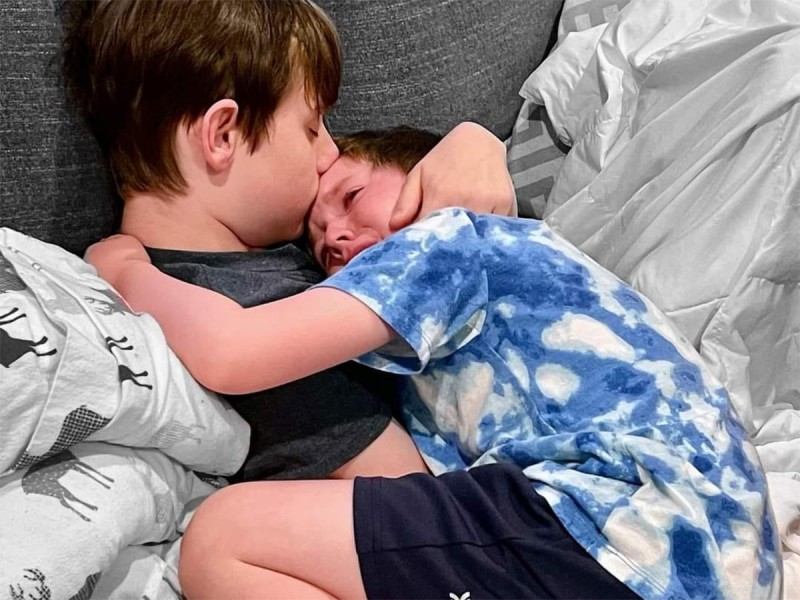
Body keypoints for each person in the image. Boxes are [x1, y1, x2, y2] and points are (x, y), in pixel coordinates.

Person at [86, 127, 781, 600]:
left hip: (623, 530)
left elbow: (235, 351)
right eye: (322, 244)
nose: (337, 237)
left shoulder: (451, 241)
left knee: (225, 539)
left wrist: (126, 270)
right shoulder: (493, 308)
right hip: (710, 556)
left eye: (351, 197)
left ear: (427, 177)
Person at [63, 0, 516, 482]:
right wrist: (126, 275)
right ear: (222, 135)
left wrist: (475, 142)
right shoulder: (247, 306)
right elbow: (407, 491)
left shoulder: (263, 252)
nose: (330, 152)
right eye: (312, 126)